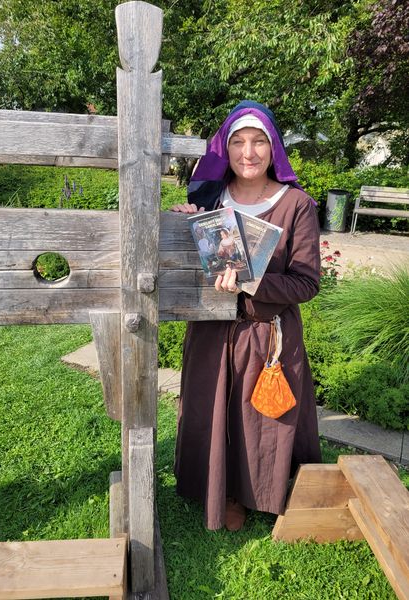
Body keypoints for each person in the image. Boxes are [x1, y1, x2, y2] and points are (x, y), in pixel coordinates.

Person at [170, 100, 322, 531]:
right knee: (211, 407)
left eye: (259, 141)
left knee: (259, 418)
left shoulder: (296, 205)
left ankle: (255, 489)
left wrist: (250, 280)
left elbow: (306, 283)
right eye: (238, 142)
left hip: (266, 333)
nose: (248, 152)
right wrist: (184, 224)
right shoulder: (208, 199)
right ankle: (219, 488)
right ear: (225, 148)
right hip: (210, 330)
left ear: (274, 149)